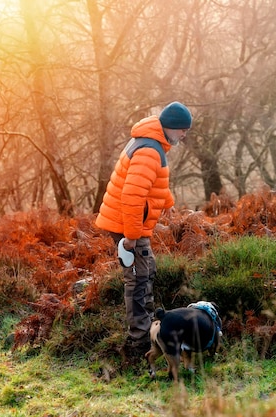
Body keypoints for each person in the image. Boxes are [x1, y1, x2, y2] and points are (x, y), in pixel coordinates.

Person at [95, 101, 192, 364]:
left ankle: (146, 329)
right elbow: (133, 196)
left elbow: (152, 185)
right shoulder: (150, 150)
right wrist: (133, 237)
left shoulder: (152, 141)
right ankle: (139, 341)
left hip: (130, 223)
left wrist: (168, 205)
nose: (184, 135)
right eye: (182, 130)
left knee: (145, 271)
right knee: (138, 279)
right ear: (171, 127)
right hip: (128, 226)